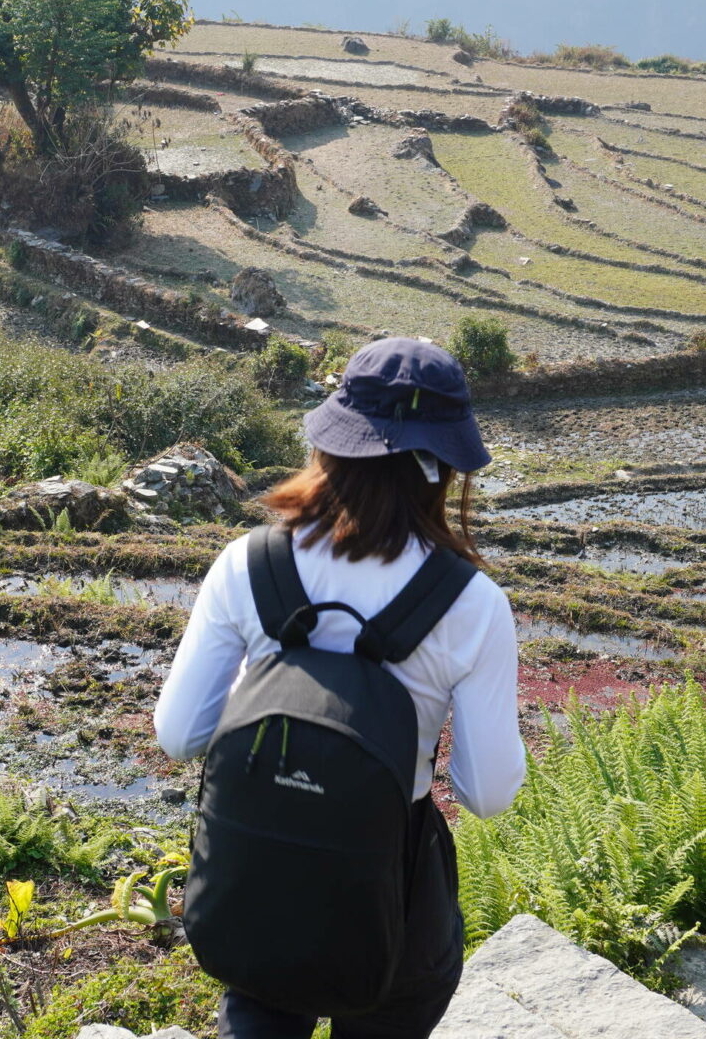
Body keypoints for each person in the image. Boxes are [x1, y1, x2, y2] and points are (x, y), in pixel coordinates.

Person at [155, 337, 526, 1039]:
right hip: (393, 895)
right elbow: (488, 793)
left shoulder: (248, 563)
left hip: (257, 878)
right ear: (444, 465)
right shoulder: (471, 604)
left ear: (331, 441)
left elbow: (178, 736)